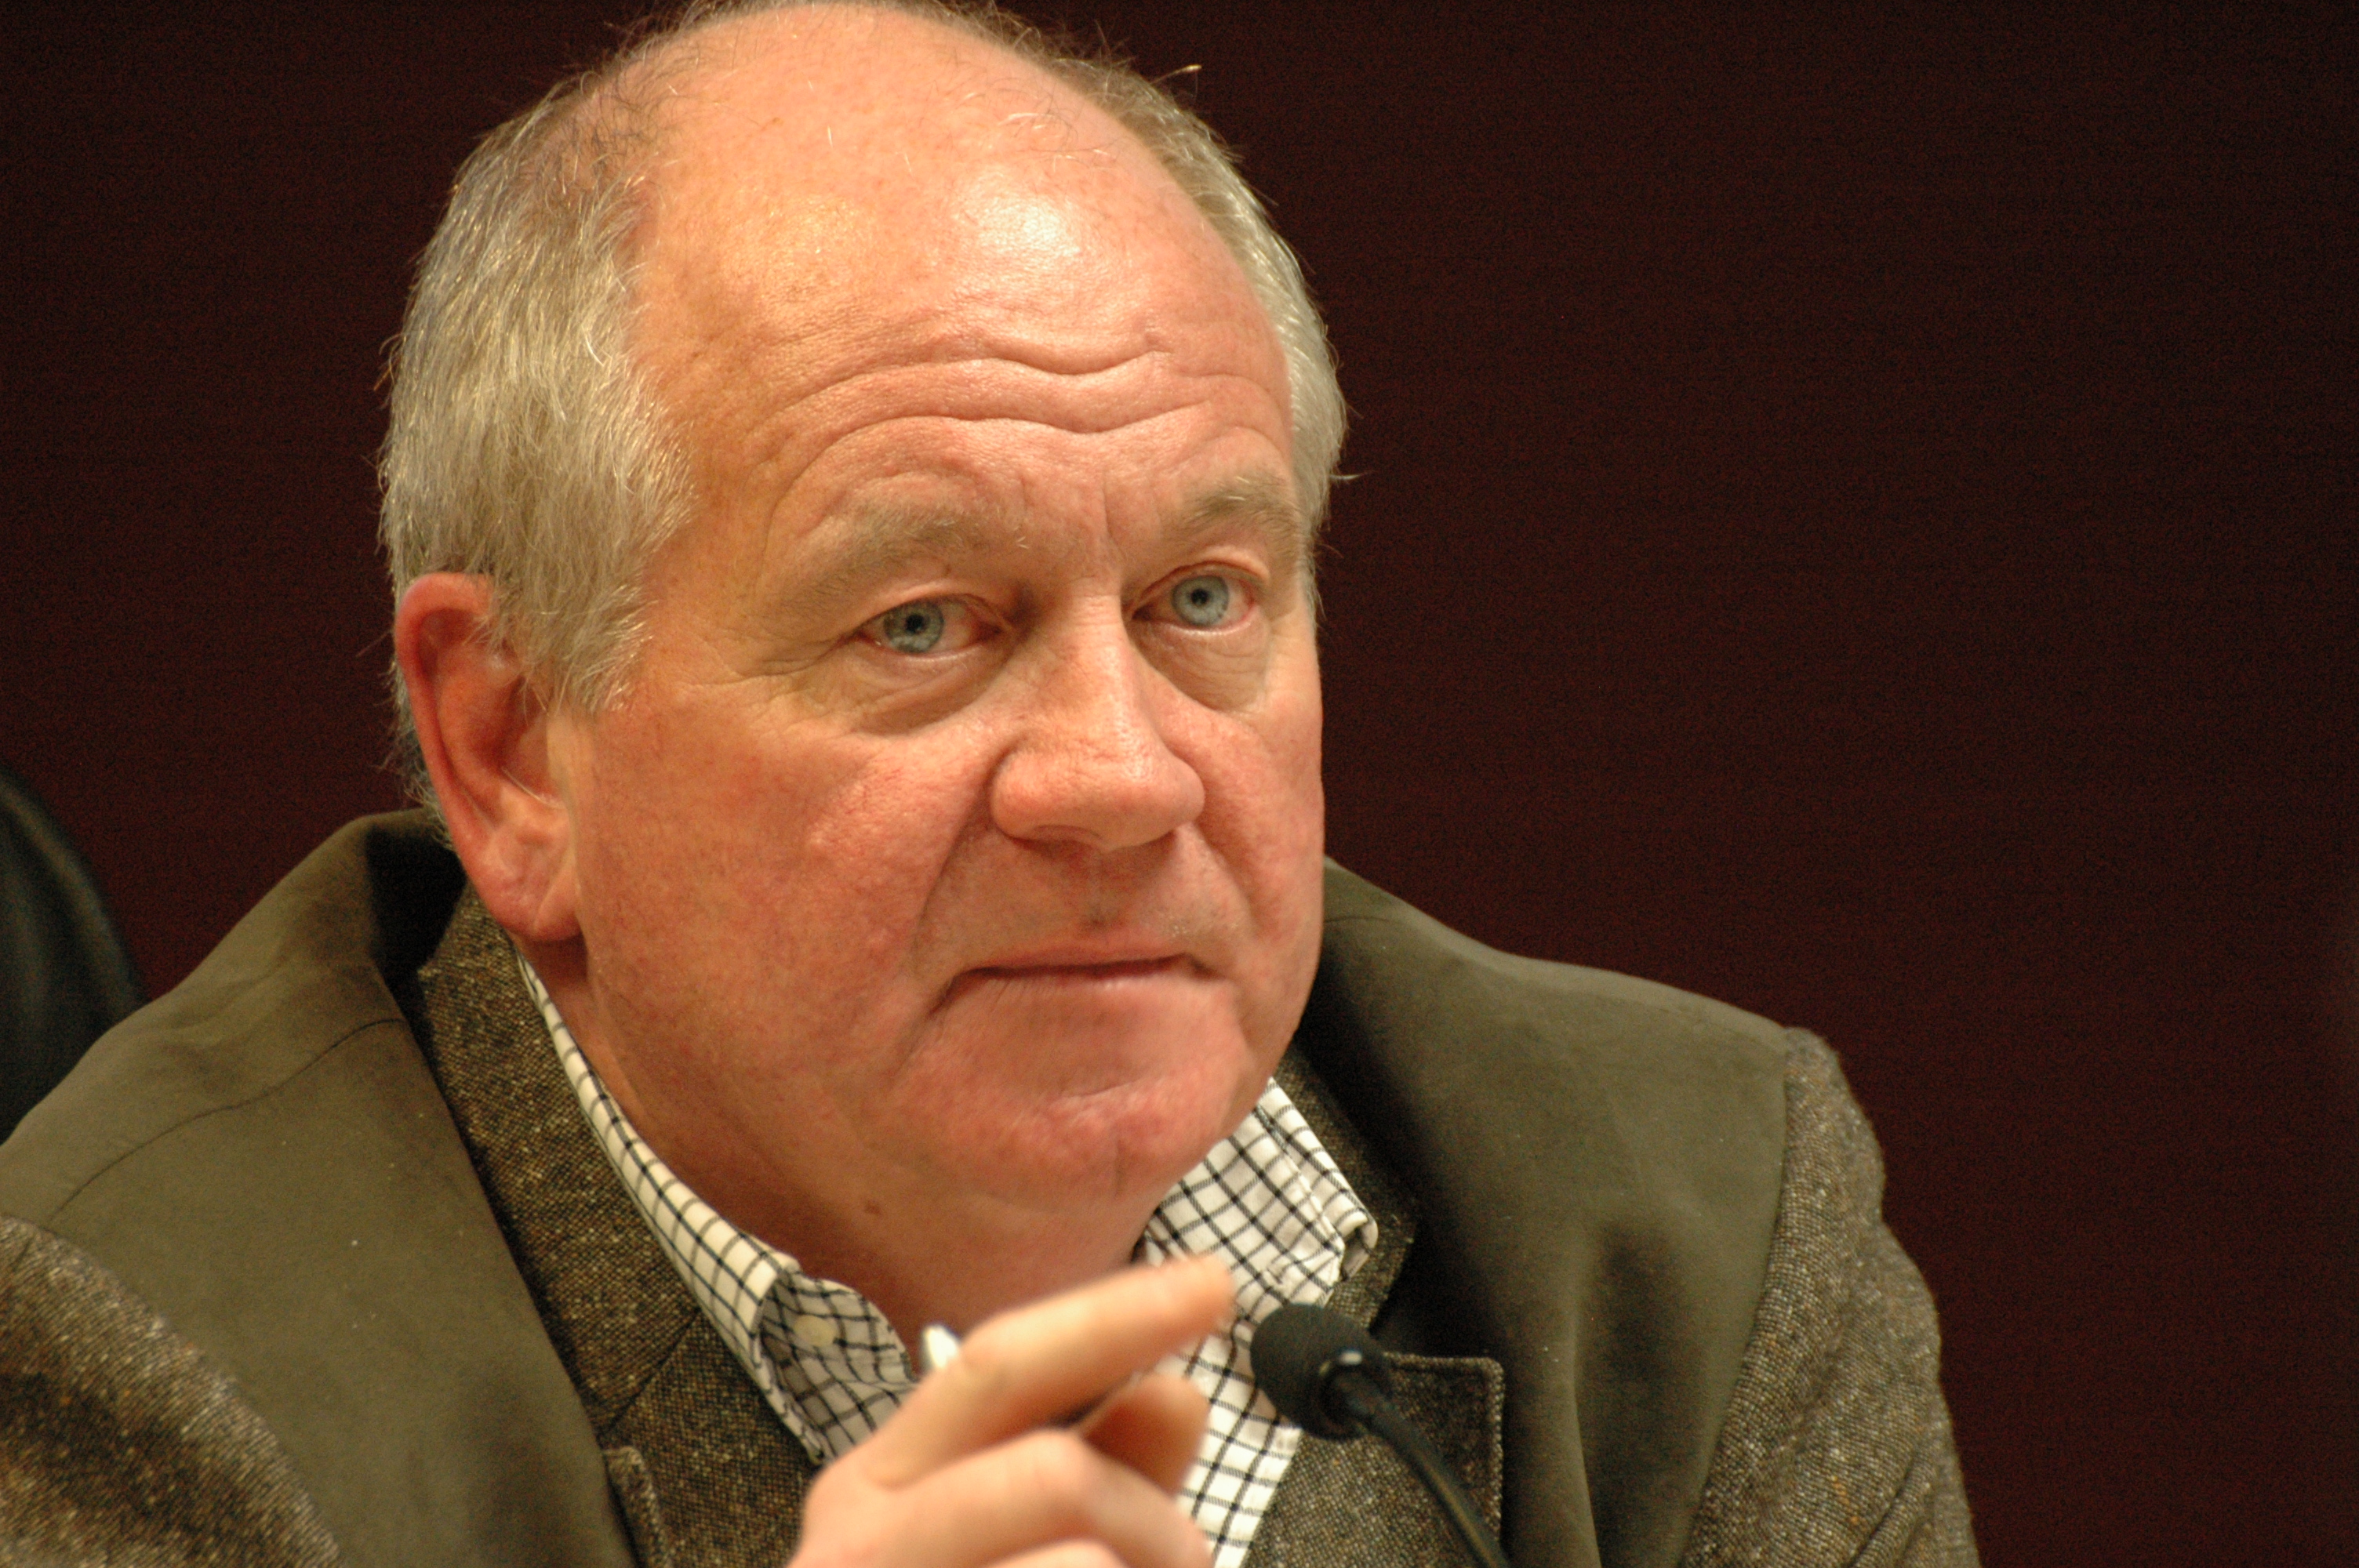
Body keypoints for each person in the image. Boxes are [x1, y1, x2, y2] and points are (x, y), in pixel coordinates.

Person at [0, 3, 1976, 1564]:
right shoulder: (145, 1369)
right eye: (925, 625)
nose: (1118, 779)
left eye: (1203, 598)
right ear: (514, 751)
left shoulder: (1688, 1235)